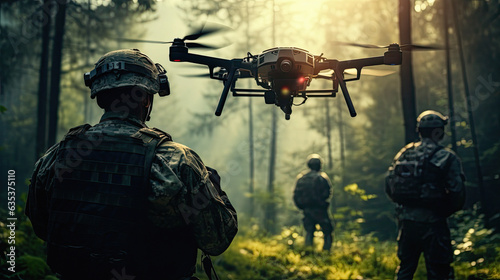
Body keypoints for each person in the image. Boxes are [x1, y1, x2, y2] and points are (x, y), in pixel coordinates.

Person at [26, 49, 238, 280]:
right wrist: (216, 191)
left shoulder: (56, 156)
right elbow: (217, 240)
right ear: (147, 99)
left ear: (99, 96)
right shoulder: (176, 162)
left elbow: (42, 227)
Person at [385, 110, 466, 280]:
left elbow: (389, 183)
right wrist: (444, 211)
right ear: (437, 131)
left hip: (407, 221)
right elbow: (457, 192)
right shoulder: (446, 157)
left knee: (405, 269)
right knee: (439, 271)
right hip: (434, 222)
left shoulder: (405, 152)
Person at [293, 154, 333, 251]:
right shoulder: (321, 178)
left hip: (307, 210)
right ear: (319, 165)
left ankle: (308, 251)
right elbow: (327, 193)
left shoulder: (302, 178)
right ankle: (326, 252)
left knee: (309, 231)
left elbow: (296, 195)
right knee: (327, 231)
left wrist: (302, 207)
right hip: (320, 210)